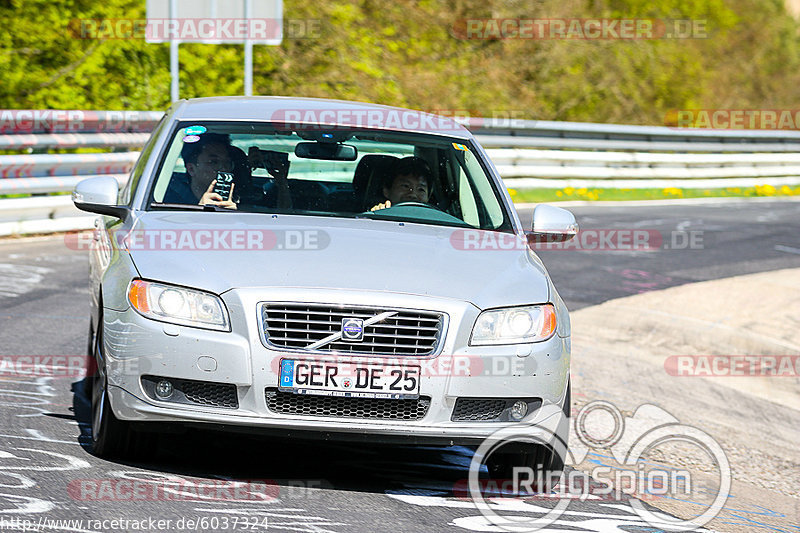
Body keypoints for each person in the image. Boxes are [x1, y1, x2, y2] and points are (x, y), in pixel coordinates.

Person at [164, 132, 237, 209]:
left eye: (227, 162)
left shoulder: (241, 198)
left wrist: (233, 215)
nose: (224, 169)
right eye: (214, 162)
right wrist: (199, 210)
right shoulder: (169, 201)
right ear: (191, 169)